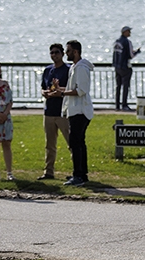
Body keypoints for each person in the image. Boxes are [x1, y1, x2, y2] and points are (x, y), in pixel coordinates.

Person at [59, 40, 94, 187]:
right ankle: (82, 173)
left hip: (80, 111)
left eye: (68, 51)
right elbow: (73, 88)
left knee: (76, 143)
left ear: (75, 52)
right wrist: (61, 90)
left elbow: (81, 90)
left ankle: (78, 175)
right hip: (75, 110)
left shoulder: (81, 68)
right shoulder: (74, 67)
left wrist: (61, 93)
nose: (66, 53)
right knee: (79, 142)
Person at [39, 43, 71, 180]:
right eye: (51, 53)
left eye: (57, 52)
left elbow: (70, 89)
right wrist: (45, 93)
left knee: (72, 143)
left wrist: (58, 92)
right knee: (49, 145)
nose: (54, 55)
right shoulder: (48, 70)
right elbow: (43, 88)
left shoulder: (68, 69)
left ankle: (77, 171)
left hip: (63, 112)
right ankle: (49, 172)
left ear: (63, 53)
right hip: (49, 112)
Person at [112, 26, 141, 111]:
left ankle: (117, 105)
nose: (130, 33)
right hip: (125, 67)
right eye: (128, 31)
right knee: (125, 86)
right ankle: (124, 105)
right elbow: (131, 55)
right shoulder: (127, 42)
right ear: (124, 32)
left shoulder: (117, 42)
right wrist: (137, 52)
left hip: (117, 67)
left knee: (118, 86)